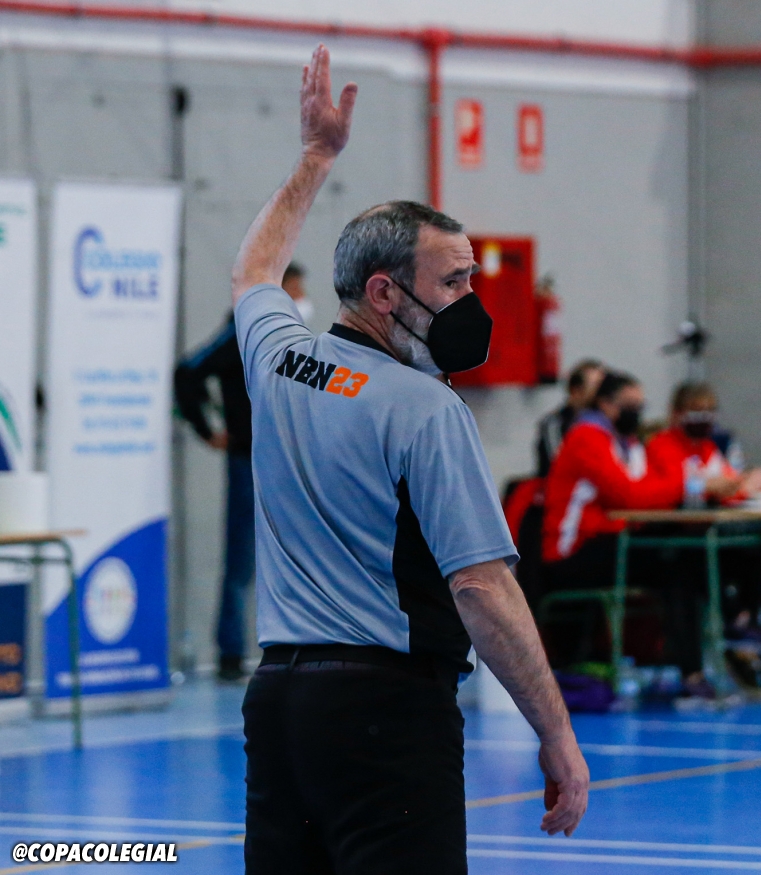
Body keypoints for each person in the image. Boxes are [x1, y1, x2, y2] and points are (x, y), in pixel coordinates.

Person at [232, 46, 587, 873]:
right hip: (385, 711)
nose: (471, 300)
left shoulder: (277, 360)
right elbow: (481, 586)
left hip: (277, 704)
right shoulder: (426, 409)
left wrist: (315, 157)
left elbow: (252, 271)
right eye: (453, 282)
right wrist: (555, 730)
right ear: (384, 292)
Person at [542, 371, 738, 691]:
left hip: (614, 540)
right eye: (630, 404)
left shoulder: (628, 444)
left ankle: (707, 656)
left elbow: (649, 489)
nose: (637, 412)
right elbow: (630, 496)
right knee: (677, 559)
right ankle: (720, 637)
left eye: (640, 404)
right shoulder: (587, 437)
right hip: (575, 550)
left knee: (684, 562)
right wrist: (692, 484)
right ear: (606, 404)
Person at [175, 262, 312, 681]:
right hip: (248, 459)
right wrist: (208, 430)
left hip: (284, 457)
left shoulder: (290, 337)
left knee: (291, 553)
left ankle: (290, 645)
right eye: (296, 289)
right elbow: (188, 373)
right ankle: (231, 652)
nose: (302, 298)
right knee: (241, 559)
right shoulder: (241, 332)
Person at [646, 382, 761, 691]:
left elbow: (730, 486)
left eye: (709, 411)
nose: (703, 418)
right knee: (690, 569)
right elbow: (677, 488)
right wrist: (714, 486)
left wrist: (748, 483)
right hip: (670, 541)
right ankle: (736, 621)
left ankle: (757, 623)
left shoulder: (709, 448)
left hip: (708, 537)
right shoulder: (661, 446)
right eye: (695, 411)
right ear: (676, 414)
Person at [535, 359, 604, 476]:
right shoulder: (554, 423)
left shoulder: (606, 422)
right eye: (597, 386)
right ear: (576, 390)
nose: (604, 393)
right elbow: (559, 464)